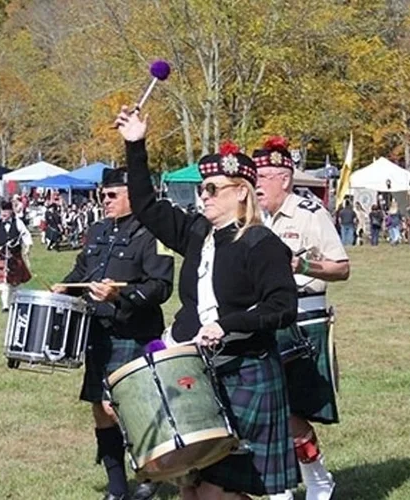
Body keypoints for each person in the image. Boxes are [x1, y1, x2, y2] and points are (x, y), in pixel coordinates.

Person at [116, 108, 299, 499]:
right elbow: (146, 205)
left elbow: (283, 306)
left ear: (241, 192)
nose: (203, 195)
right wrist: (135, 144)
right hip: (197, 369)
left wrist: (228, 323)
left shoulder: (261, 244)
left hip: (245, 368)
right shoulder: (198, 233)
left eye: (212, 188)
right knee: (191, 490)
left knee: (216, 493)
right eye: (202, 188)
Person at [52, 167, 174, 500]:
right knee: (99, 408)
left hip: (133, 333)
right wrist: (65, 287)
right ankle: (117, 488)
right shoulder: (97, 231)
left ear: (131, 195)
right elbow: (82, 271)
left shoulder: (152, 233)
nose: (104, 201)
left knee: (127, 408)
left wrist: (120, 295)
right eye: (101, 195)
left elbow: (161, 287)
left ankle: (153, 471)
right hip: (98, 332)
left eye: (111, 195)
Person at [253, 137, 350, 500]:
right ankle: (279, 488)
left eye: (264, 176)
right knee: (265, 409)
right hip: (260, 320)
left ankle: (317, 478)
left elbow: (342, 268)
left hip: (302, 321)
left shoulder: (310, 213)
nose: (257, 183)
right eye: (256, 176)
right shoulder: (253, 218)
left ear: (285, 179)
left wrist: (300, 264)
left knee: (291, 412)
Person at [0, 201, 33, 311]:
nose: (3, 214)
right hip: (2, 256)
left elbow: (26, 234)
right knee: (3, 282)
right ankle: (5, 306)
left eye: (6, 211)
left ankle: (14, 303)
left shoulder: (18, 222)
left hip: (15, 256)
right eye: (2, 211)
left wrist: (27, 247)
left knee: (15, 283)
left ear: (11, 212)